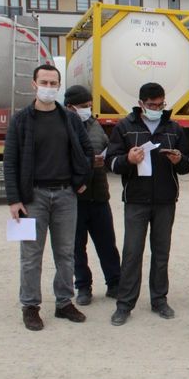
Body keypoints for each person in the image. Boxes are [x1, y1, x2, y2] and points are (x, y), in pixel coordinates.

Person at [4, 64, 93, 331]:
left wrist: (82, 182)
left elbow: (87, 151)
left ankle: (64, 302)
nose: (49, 88)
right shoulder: (21, 120)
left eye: (54, 83)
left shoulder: (70, 119)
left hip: (66, 196)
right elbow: (10, 162)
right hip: (33, 198)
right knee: (31, 255)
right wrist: (13, 200)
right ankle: (30, 306)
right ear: (34, 84)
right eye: (44, 82)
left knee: (65, 253)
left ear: (59, 85)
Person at [105, 82, 189, 326]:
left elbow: (187, 165)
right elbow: (110, 163)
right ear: (141, 103)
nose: (157, 108)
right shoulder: (125, 127)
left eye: (161, 104)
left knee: (161, 253)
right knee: (132, 252)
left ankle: (159, 300)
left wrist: (179, 159)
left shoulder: (174, 128)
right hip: (136, 199)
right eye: (152, 105)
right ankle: (124, 304)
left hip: (165, 200)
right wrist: (127, 159)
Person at [63, 85, 121, 306]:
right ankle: (83, 287)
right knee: (77, 246)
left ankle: (115, 282)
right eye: (83, 106)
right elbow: (60, 161)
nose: (87, 110)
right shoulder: (63, 127)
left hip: (99, 195)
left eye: (89, 106)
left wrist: (106, 160)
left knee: (107, 242)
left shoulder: (96, 126)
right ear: (70, 107)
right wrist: (89, 162)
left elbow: (110, 151)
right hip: (73, 198)